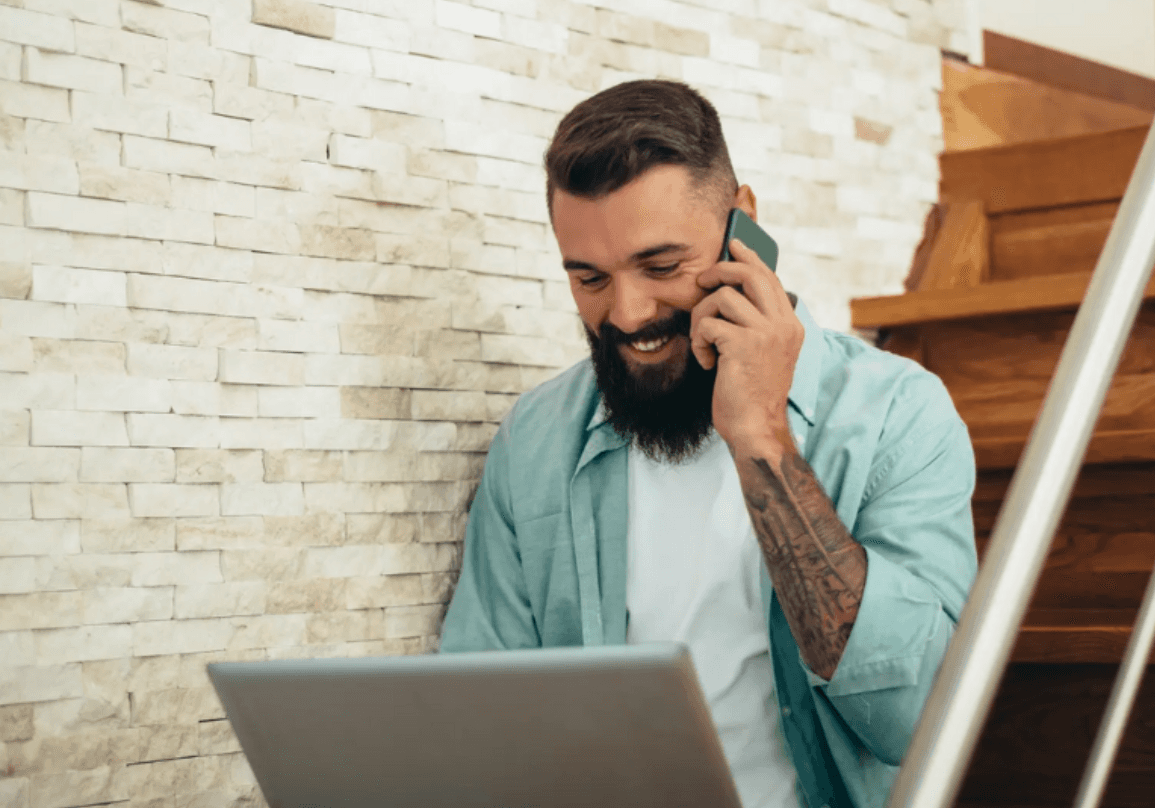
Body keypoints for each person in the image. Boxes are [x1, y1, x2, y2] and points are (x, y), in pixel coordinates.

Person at [440, 79, 977, 808]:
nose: (626, 313)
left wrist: (759, 436)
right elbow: (477, 717)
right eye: (589, 278)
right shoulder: (535, 439)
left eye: (661, 267)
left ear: (741, 228)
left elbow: (914, 721)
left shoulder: (895, 413)